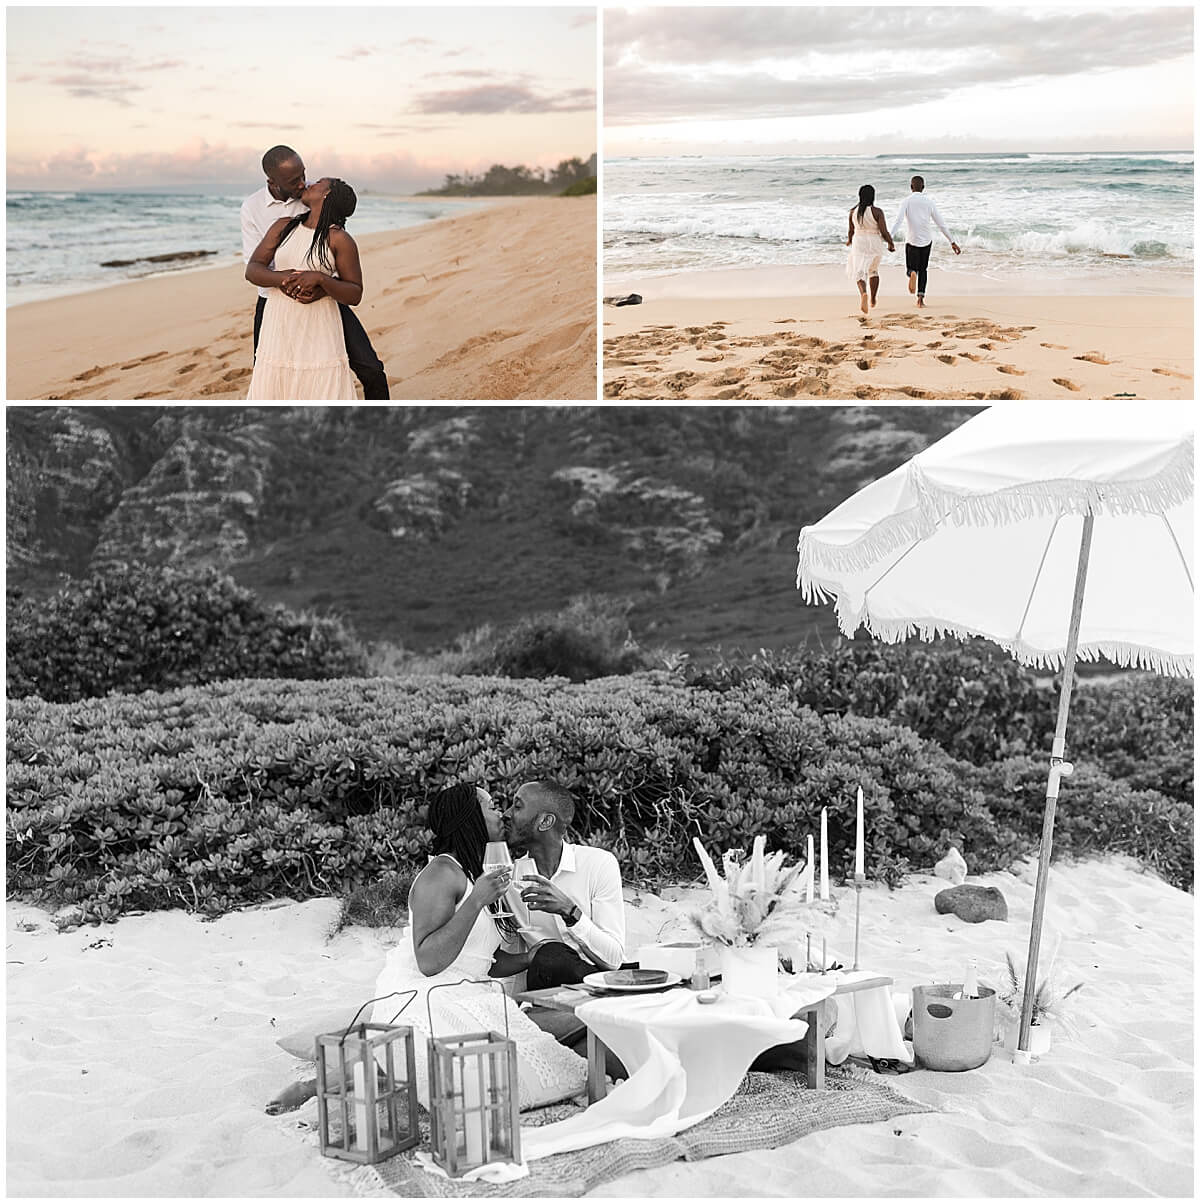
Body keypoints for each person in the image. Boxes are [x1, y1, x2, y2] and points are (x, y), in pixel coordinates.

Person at [369, 783, 587, 1109]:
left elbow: (480, 957)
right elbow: (428, 960)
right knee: (496, 1086)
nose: (501, 813)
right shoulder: (441, 874)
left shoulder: (474, 872)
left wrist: (530, 957)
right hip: (425, 997)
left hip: (471, 993)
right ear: (469, 817)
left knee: (558, 1069)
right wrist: (476, 900)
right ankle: (335, 1080)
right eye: (491, 806)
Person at [240, 145, 389, 398]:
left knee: (369, 368)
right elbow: (255, 268)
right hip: (275, 301)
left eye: (303, 175)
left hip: (325, 298)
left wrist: (320, 286)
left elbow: (346, 277)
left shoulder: (316, 196)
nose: (302, 184)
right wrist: (291, 281)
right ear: (272, 181)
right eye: (293, 181)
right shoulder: (253, 208)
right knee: (269, 372)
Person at [501, 779, 626, 990]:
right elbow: (511, 954)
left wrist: (570, 912)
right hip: (547, 989)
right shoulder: (509, 880)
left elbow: (613, 960)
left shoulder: (598, 864)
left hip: (600, 987)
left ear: (545, 822)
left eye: (517, 806)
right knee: (549, 956)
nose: (506, 814)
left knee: (553, 956)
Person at [246, 177, 362, 399]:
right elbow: (252, 270)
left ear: (326, 195)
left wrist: (321, 279)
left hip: (318, 324)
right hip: (279, 321)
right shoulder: (283, 226)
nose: (310, 184)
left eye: (318, 183)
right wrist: (281, 278)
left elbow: (355, 292)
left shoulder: (339, 239)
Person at [890, 175, 961, 308]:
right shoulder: (929, 202)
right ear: (923, 187)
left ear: (911, 187)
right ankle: (920, 299)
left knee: (912, 267)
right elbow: (941, 224)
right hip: (926, 241)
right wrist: (952, 241)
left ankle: (911, 273)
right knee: (923, 270)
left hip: (912, 240)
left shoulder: (906, 201)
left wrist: (890, 238)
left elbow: (898, 221)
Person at [845, 184, 895, 315]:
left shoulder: (853, 212)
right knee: (873, 271)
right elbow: (884, 231)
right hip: (874, 243)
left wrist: (849, 240)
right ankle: (872, 299)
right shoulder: (877, 211)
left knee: (859, 272)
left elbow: (851, 231)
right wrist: (890, 243)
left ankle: (864, 294)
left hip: (859, 241)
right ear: (873, 196)